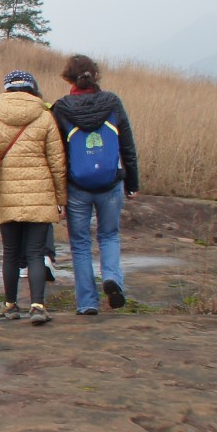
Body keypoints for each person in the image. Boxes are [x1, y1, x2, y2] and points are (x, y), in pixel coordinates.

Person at [51, 54, 140, 316]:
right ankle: (112, 278)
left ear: (68, 77)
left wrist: (59, 192)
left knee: (80, 243)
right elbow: (128, 146)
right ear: (95, 75)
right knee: (109, 235)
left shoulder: (62, 107)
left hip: (77, 185)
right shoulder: (112, 102)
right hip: (110, 183)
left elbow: (57, 153)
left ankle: (87, 302)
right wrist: (132, 183)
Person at [0, 69, 67, 325]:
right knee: (36, 252)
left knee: (10, 252)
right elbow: (57, 163)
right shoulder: (45, 117)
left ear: (6, 89)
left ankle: (10, 305)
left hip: (6, 197)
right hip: (40, 195)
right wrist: (61, 199)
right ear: (33, 89)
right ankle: (38, 306)